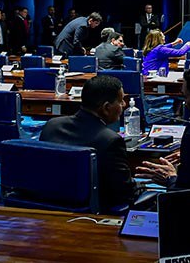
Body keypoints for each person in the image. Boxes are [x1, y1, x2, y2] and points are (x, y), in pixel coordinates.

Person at [40, 75, 144, 211]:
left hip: (47, 206)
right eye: (120, 101)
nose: (124, 105)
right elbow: (124, 193)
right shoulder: (110, 140)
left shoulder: (51, 125)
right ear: (106, 108)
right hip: (92, 213)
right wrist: (143, 186)